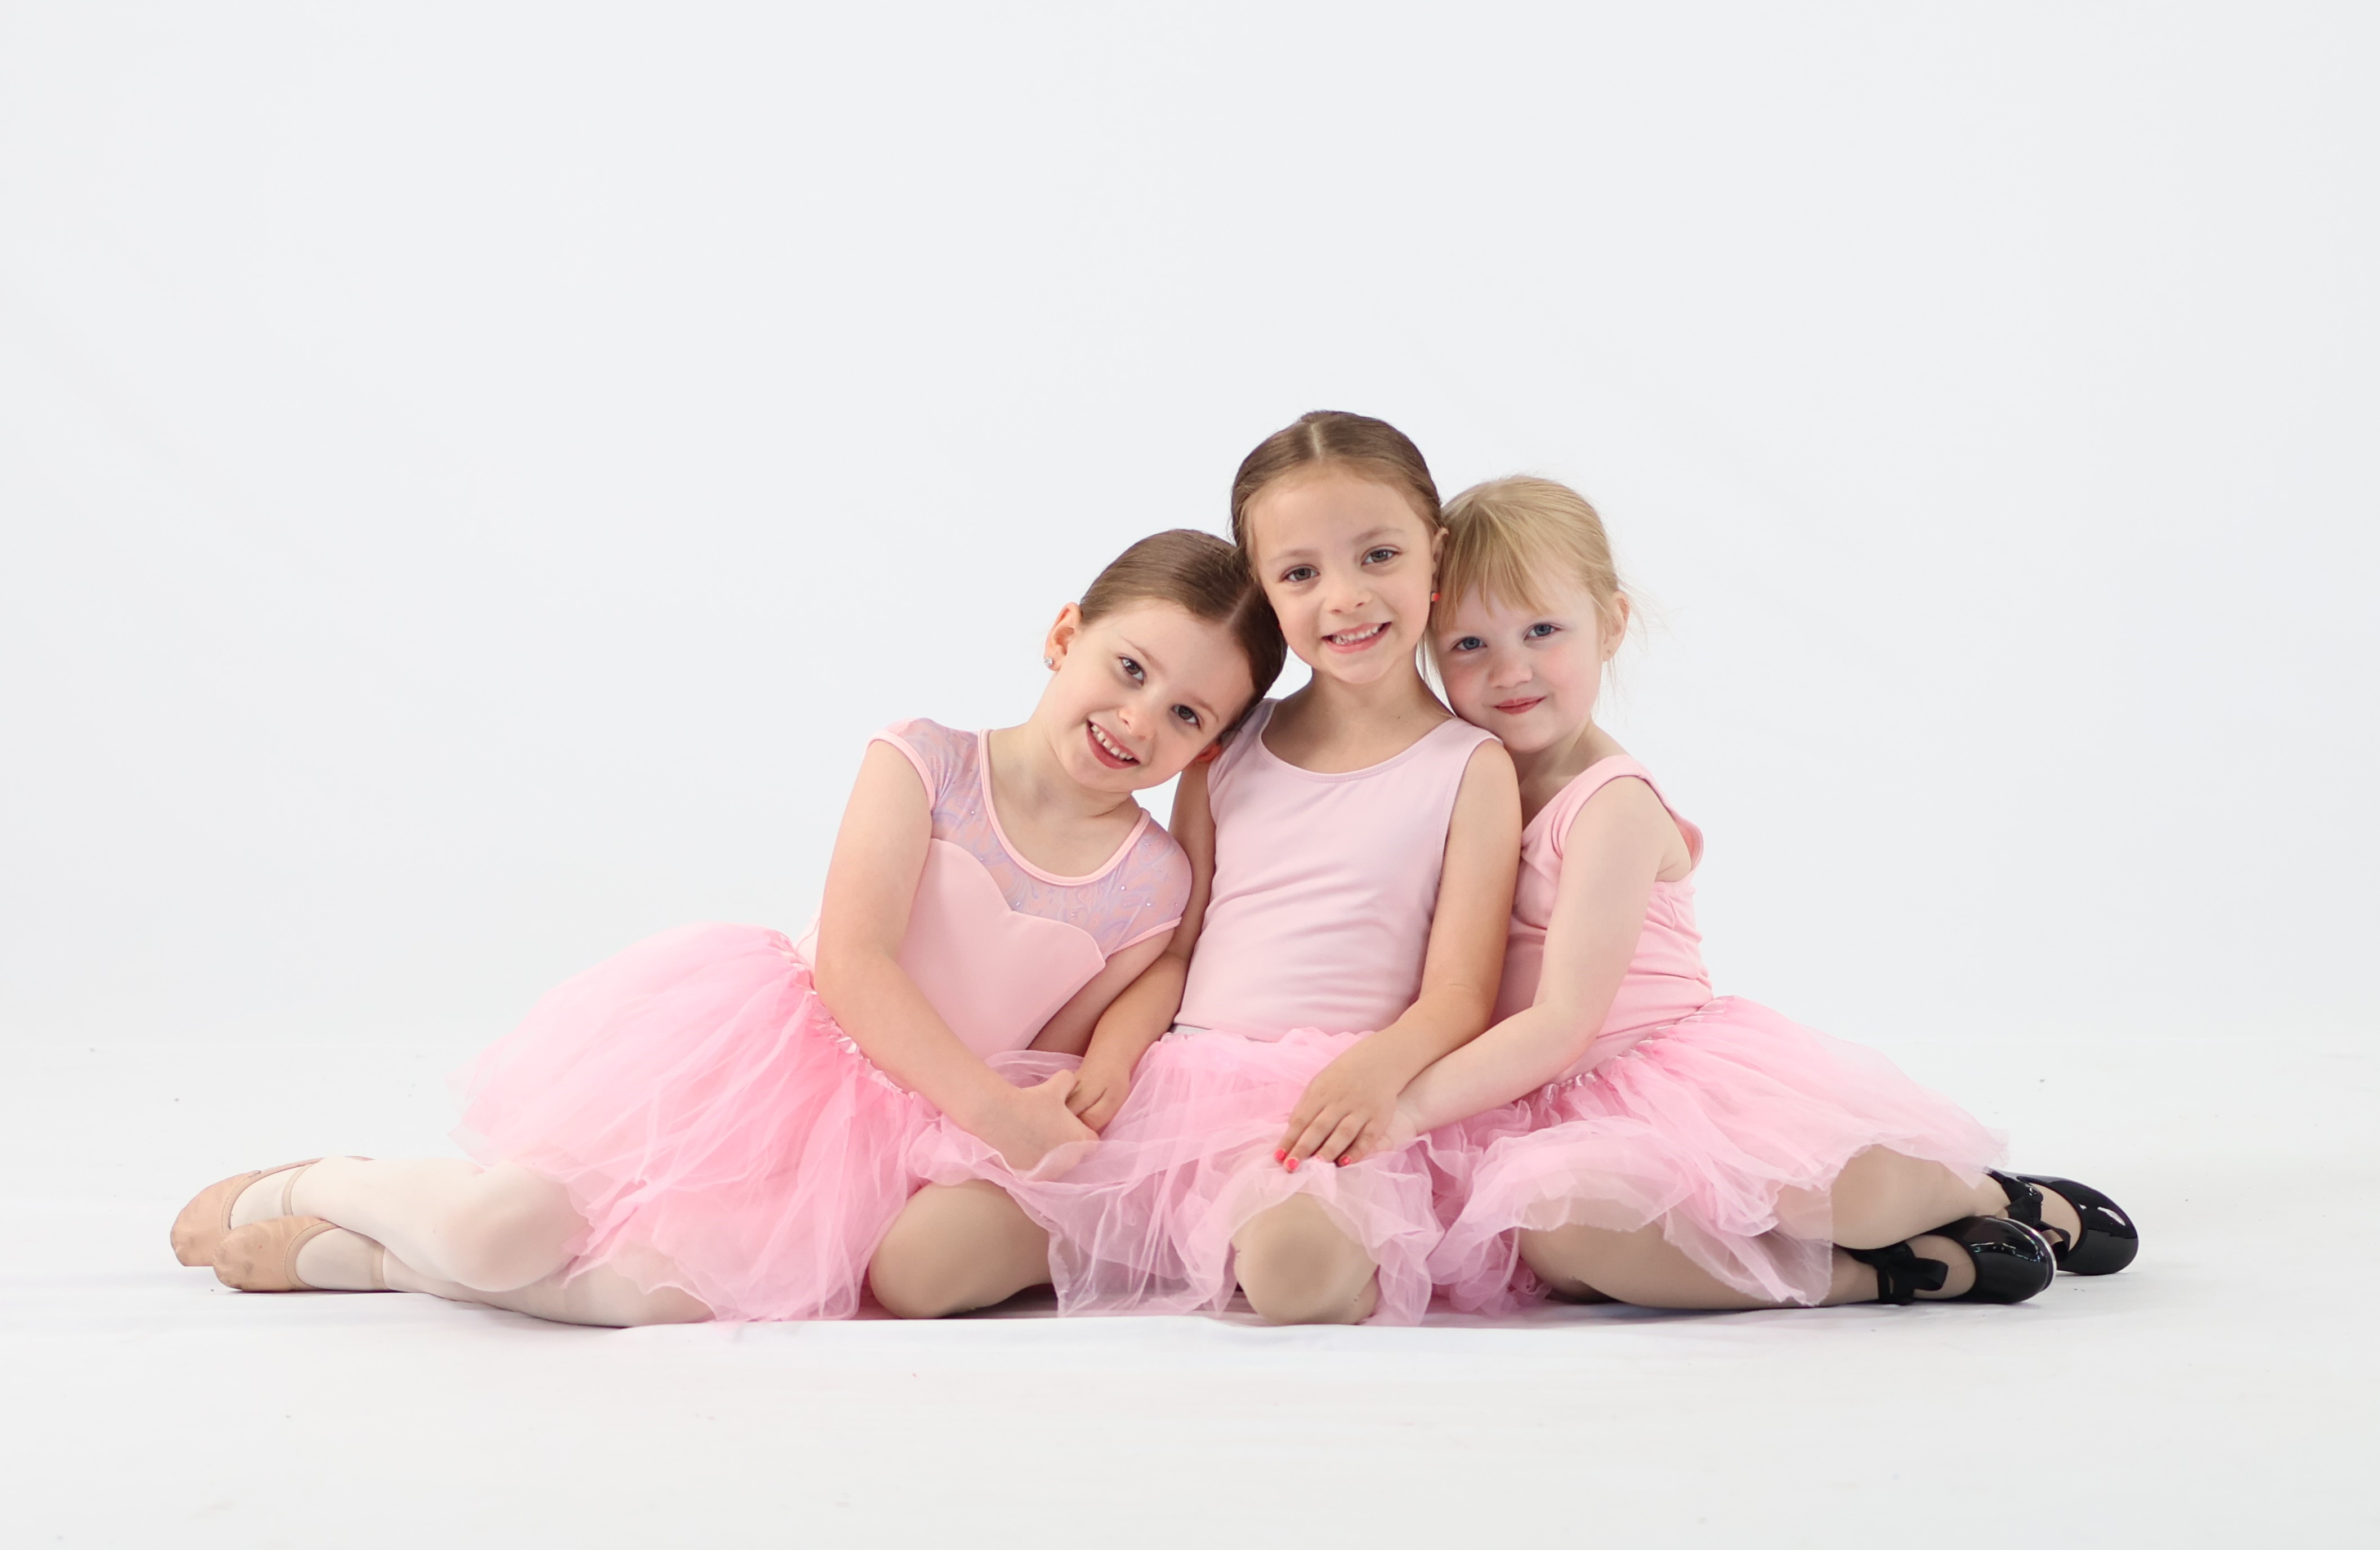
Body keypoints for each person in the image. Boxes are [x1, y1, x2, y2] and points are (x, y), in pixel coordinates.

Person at [168, 530, 1283, 1326]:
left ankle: (372, 1267)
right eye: (1126, 668)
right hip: (764, 1061)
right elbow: (852, 963)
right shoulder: (930, 761)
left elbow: (1093, 1016)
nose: (1137, 719)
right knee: (499, 1232)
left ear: (1211, 745)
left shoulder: (1149, 882)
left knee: (631, 1296)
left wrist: (1096, 1054)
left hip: (894, 1142)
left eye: (1185, 713)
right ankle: (339, 1180)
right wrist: (994, 1111)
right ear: (1063, 634)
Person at [1393, 475, 2137, 1312]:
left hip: (1650, 1075)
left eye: (1542, 631)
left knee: (1829, 1191)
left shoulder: (1610, 807)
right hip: (1529, 1105)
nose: (1510, 670)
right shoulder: (1462, 781)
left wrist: (1409, 1103)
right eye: (1468, 646)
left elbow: (1564, 1024)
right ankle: (1885, 1275)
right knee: (1557, 1226)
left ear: (1611, 624)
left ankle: (1989, 1197)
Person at [870, 412, 1521, 1325]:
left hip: (1335, 1098)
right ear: (1266, 592)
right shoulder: (1231, 744)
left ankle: (1312, 1241)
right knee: (916, 1270)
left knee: (1297, 1274)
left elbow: (1461, 992)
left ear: (1436, 561)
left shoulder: (1468, 768)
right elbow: (1177, 945)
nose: (1345, 598)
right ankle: (1157, 1234)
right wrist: (1116, 1052)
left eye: (1379, 557)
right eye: (1300, 573)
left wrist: (1378, 1077)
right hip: (1182, 1091)